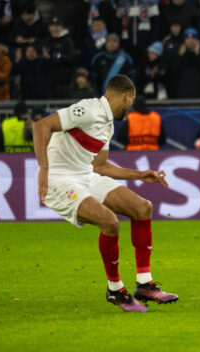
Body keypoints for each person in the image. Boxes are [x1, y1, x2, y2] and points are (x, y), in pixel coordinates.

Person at [33, 74, 177, 312]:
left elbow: (100, 166)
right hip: (59, 180)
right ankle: (115, 289)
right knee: (110, 222)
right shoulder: (88, 109)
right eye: (130, 102)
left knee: (143, 208)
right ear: (127, 96)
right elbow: (41, 126)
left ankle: (145, 285)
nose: (130, 107)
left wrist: (141, 175)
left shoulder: (108, 125)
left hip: (85, 176)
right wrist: (44, 170)